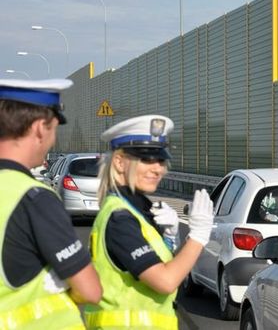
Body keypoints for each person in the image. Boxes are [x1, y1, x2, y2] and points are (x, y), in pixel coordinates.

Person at [83, 114, 214, 329]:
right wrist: (198, 236)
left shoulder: (137, 209)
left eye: (161, 159)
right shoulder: (120, 218)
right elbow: (165, 281)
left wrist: (170, 238)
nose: (158, 169)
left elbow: (163, 270)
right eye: (146, 159)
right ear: (119, 162)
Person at [0, 78, 102, 329]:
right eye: (54, 128)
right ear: (38, 128)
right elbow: (91, 291)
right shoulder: (34, 198)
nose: (53, 140)